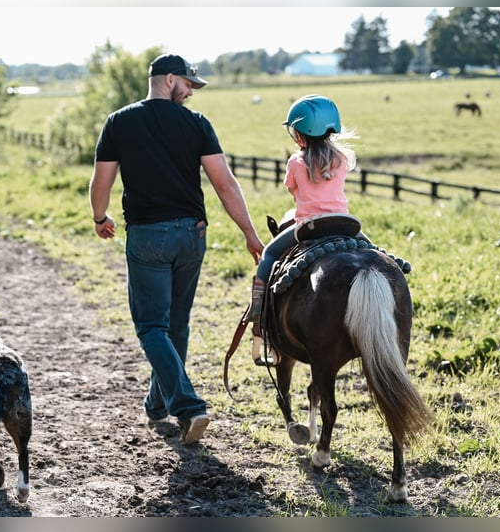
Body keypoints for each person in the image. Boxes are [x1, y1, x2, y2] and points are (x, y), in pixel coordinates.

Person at [89, 53, 264, 446]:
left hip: (148, 237)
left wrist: (100, 217)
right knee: (176, 325)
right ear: (169, 80)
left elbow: (101, 182)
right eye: (188, 85)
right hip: (191, 236)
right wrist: (250, 234)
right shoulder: (196, 124)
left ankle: (187, 406)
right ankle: (157, 403)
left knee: (152, 327)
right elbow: (224, 183)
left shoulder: (119, 122)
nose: (189, 93)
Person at [247, 94, 360, 364]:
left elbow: (293, 190)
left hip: (308, 226)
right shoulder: (342, 159)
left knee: (269, 257)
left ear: (299, 134)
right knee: (377, 253)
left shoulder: (296, 162)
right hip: (344, 223)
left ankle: (258, 320)